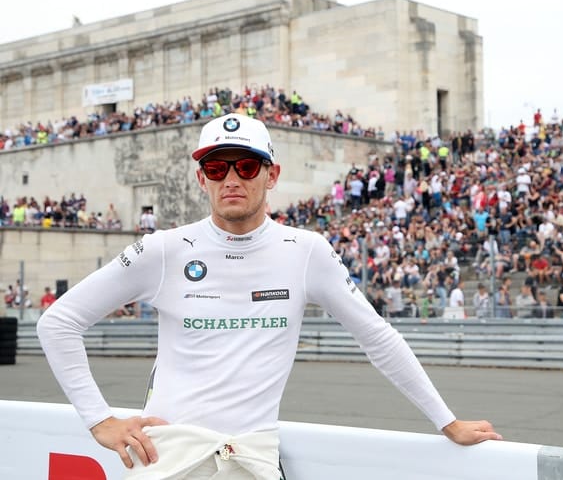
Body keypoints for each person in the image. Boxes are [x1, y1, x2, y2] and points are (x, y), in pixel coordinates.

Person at [37, 114, 500, 479]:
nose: (231, 179)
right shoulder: (162, 249)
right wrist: (99, 421)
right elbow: (57, 323)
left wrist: (448, 421)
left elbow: (377, 337)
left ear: (271, 174)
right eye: (216, 167)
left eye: (247, 165)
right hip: (169, 459)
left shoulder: (306, 252)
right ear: (202, 179)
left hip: (251, 461)